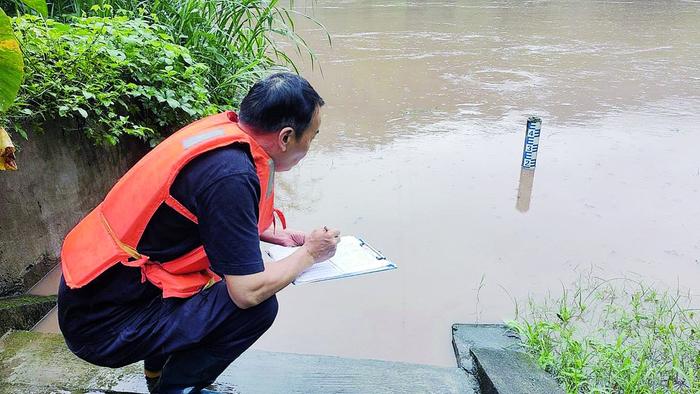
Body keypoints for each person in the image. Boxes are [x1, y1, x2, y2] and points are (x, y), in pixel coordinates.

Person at [57, 73, 340, 394]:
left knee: (228, 268)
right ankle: (178, 388)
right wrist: (310, 254)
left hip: (93, 297)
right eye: (312, 137)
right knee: (256, 307)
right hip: (103, 330)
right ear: (286, 137)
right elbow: (247, 291)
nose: (310, 146)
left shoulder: (222, 135)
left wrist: (269, 234)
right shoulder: (232, 175)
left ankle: (157, 369)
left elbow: (193, 216)